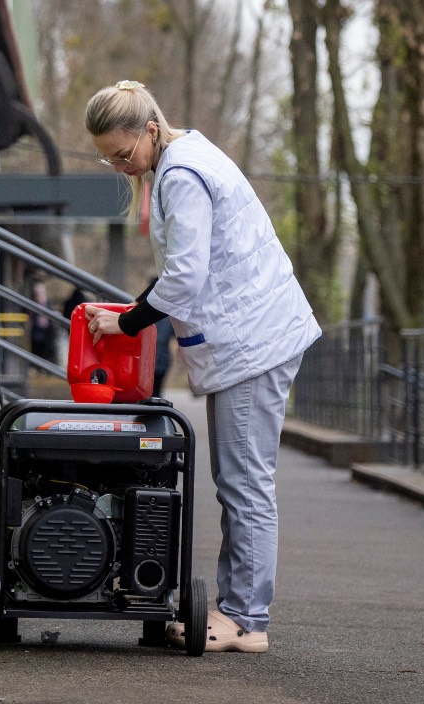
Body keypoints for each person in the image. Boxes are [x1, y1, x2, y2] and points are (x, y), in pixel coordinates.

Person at [83, 80, 321, 653]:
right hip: (254, 337)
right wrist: (138, 306)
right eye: (108, 158)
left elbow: (185, 277)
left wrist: (128, 322)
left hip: (252, 344)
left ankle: (244, 619)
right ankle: (242, 612)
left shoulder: (182, 176)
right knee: (240, 481)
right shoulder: (187, 158)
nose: (120, 166)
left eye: (124, 154)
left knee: (244, 485)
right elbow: (185, 269)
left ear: (150, 130)